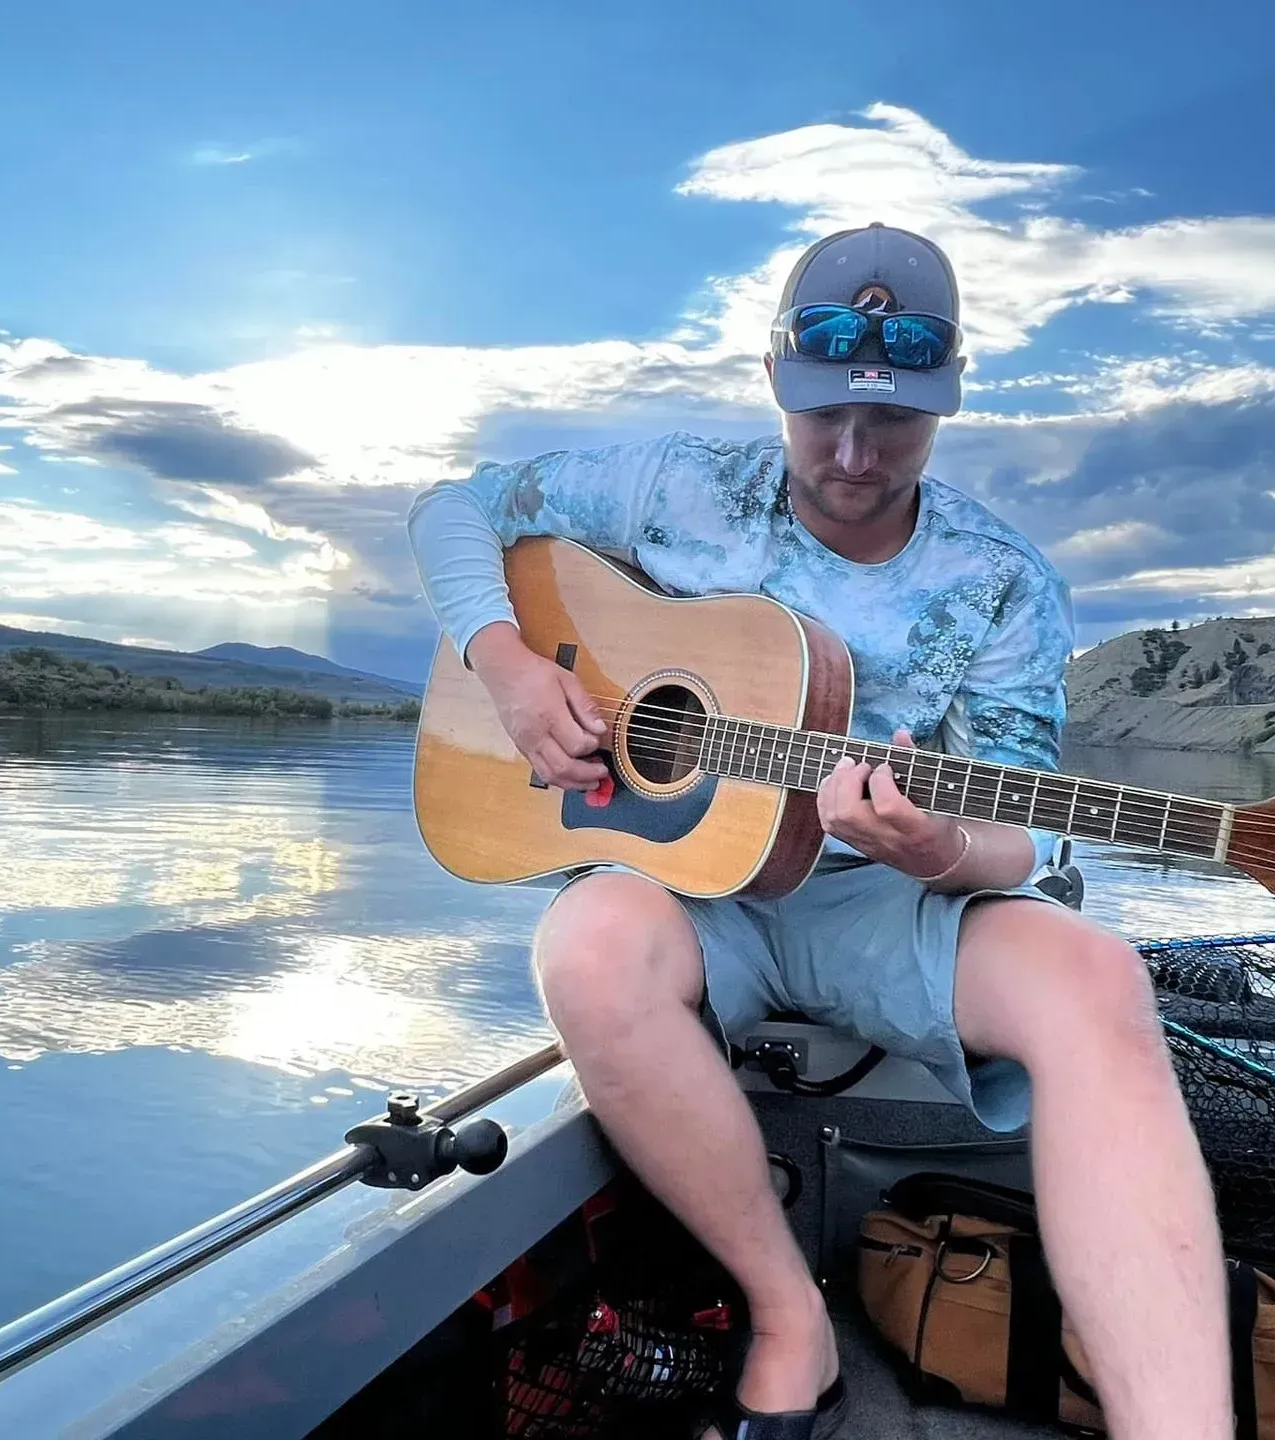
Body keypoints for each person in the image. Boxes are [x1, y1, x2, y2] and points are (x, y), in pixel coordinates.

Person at [406, 223, 1231, 1440]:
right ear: (780, 383)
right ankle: (787, 1313)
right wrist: (514, 668)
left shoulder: (998, 579)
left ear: (945, 403)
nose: (851, 453)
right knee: (584, 948)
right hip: (696, 894)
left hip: (884, 897)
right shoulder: (676, 489)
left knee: (1098, 976)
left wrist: (937, 849)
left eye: (892, 424)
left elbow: (1024, 829)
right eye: (823, 416)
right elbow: (450, 508)